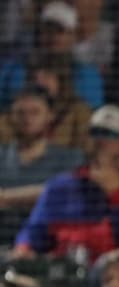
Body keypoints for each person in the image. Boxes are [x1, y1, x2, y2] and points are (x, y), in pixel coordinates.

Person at [12, 106, 119, 261]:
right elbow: (34, 231)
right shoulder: (59, 186)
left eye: (110, 134)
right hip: (61, 269)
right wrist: (24, 246)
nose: (100, 140)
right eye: (94, 132)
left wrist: (116, 195)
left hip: (114, 271)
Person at [0, 87, 84, 244]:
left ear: (50, 116)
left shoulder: (69, 158)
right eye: (20, 113)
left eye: (35, 112)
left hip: (47, 243)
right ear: (10, 116)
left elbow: (61, 193)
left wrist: (5, 197)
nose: (27, 119)